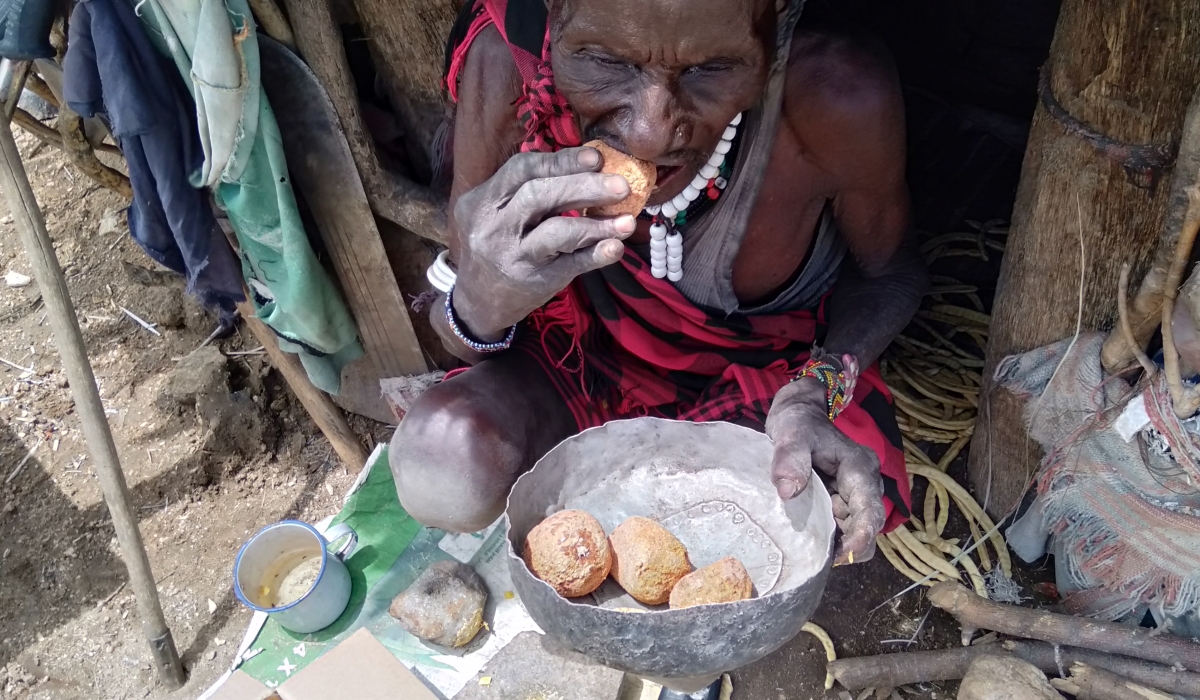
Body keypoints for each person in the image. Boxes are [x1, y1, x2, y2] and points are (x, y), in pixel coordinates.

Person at [392, 0, 926, 570]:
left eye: (711, 69)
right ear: (553, 19)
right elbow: (456, 321)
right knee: (446, 466)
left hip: (764, 392)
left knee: (792, 538)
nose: (649, 132)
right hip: (573, 364)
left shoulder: (831, 96)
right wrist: (477, 304)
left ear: (781, 24)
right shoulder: (513, 75)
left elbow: (888, 273)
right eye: (601, 59)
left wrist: (814, 393)